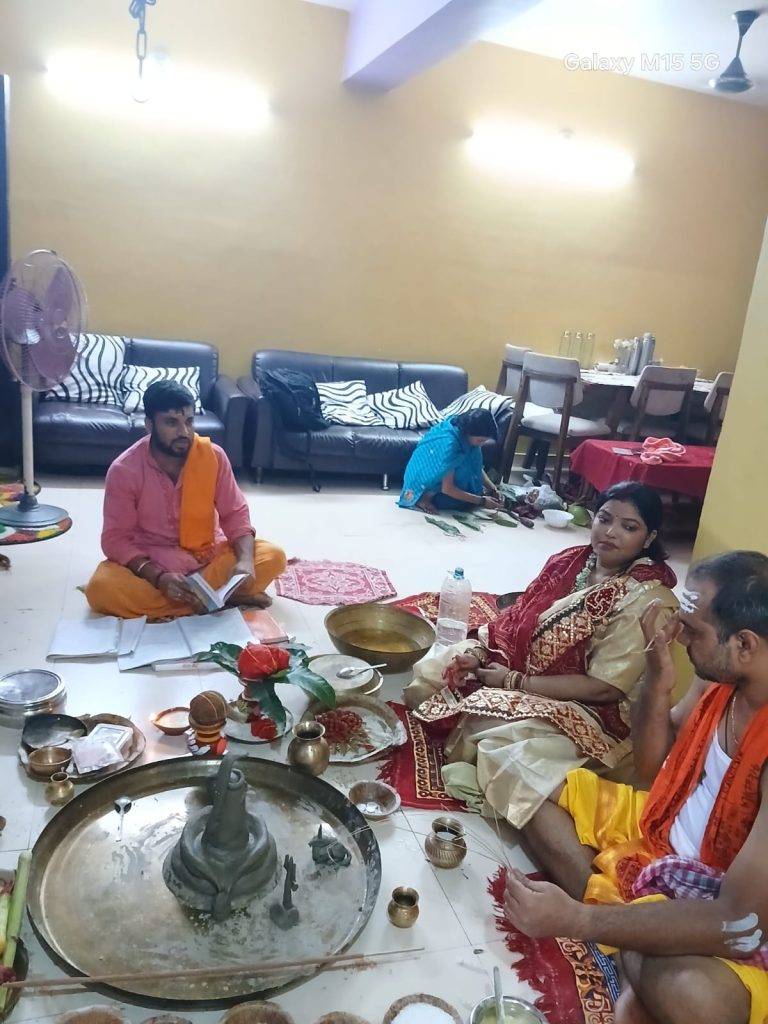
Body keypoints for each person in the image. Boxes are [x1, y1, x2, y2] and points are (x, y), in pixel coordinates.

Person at [506, 551, 768, 1024]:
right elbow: (650, 769)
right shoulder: (721, 679)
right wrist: (657, 678)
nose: (680, 636)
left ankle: (623, 928)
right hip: (658, 833)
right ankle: (636, 941)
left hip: (727, 903)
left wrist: (579, 921)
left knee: (697, 999)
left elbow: (741, 922)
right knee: (528, 786)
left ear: (744, 645)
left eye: (693, 630)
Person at [406, 481, 677, 827]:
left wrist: (514, 682)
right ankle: (480, 761)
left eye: (629, 527)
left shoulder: (647, 599)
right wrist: (480, 654)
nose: (610, 532)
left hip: (593, 709)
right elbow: (519, 615)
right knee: (433, 672)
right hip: (524, 670)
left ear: (649, 538)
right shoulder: (571, 561)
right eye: (604, 518)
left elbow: (604, 688)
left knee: (495, 739)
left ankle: (498, 778)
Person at [85, 380, 287, 619]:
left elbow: (235, 513)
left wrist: (244, 562)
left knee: (273, 557)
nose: (184, 432)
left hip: (209, 556)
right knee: (101, 590)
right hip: (156, 563)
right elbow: (115, 539)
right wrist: (158, 577)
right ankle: (220, 598)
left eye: (189, 422)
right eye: (171, 423)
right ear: (149, 425)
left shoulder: (213, 457)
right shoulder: (125, 470)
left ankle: (194, 600)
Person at [398, 408, 504, 514]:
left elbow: (475, 466)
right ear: (468, 432)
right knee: (459, 502)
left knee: (469, 467)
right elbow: (448, 488)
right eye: (480, 440)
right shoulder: (450, 446)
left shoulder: (466, 435)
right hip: (426, 481)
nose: (481, 444)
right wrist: (482, 501)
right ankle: (424, 498)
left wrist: (492, 488)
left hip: (446, 475)